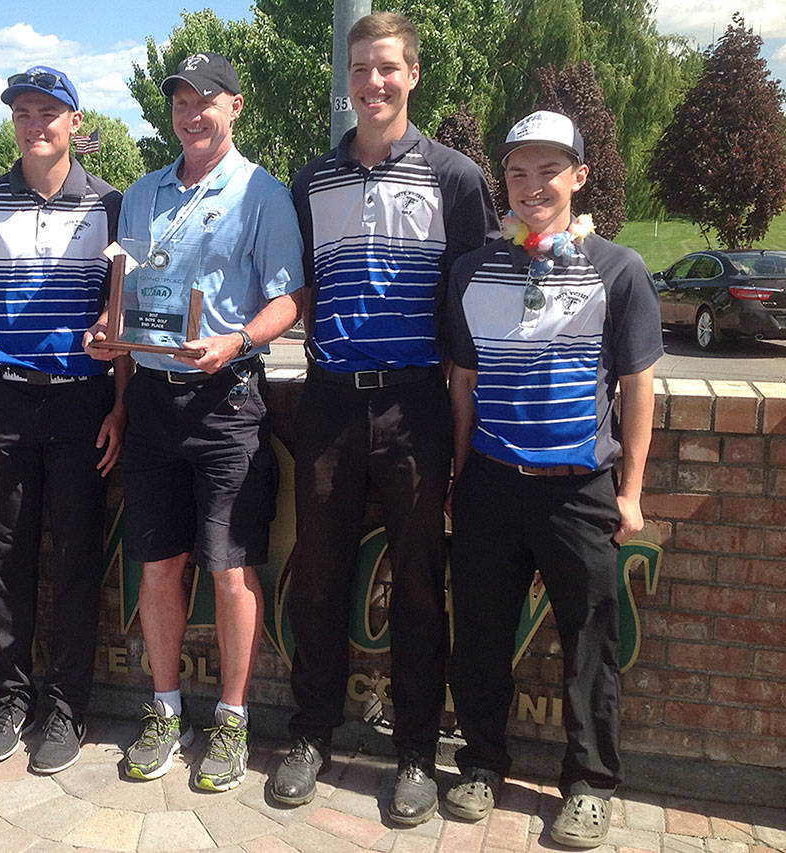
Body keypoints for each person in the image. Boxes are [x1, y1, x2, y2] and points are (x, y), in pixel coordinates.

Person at [271, 12, 498, 820]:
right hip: (329, 398)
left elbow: (476, 311)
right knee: (321, 578)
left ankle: (413, 750)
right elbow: (295, 291)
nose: (373, 83)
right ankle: (311, 733)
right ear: (348, 78)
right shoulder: (311, 182)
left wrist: (465, 421)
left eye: (387, 69)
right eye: (360, 69)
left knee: (417, 586)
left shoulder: (458, 179)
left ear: (414, 76)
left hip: (416, 404)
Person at [439, 110, 661, 849]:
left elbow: (637, 387)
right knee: (478, 635)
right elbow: (463, 384)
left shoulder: (619, 269)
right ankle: (480, 763)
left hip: (579, 489)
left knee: (590, 644)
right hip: (492, 483)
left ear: (579, 176)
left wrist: (629, 491)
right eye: (517, 171)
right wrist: (460, 475)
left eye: (548, 170)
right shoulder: (472, 269)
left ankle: (591, 783)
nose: (531, 185)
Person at [86, 52, 305, 792]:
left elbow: (289, 300)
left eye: (205, 99)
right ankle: (165, 708)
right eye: (180, 100)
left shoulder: (263, 195)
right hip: (151, 400)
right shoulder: (140, 194)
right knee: (157, 563)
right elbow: (123, 293)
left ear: (234, 106)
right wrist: (106, 331)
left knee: (230, 565)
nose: (191, 112)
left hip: (227, 403)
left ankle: (234, 718)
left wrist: (237, 340)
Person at [0, 66, 126, 774]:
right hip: (7, 402)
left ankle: (67, 707)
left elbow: (121, 319)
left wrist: (120, 404)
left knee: (78, 559)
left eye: (48, 113)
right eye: (23, 113)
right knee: (8, 559)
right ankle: (13, 698)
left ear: (74, 124)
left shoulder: (113, 208)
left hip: (84, 402)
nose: (35, 125)